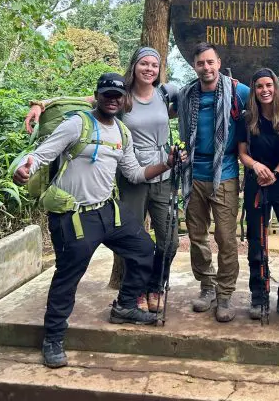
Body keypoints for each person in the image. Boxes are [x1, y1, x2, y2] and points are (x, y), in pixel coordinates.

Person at [13, 73, 186, 369]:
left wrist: (167, 164)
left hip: (108, 210)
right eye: (107, 94)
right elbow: (41, 155)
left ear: (124, 100)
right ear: (98, 95)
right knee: (69, 276)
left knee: (144, 249)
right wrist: (24, 167)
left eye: (118, 96)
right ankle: (53, 338)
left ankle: (126, 306)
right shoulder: (77, 124)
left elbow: (134, 173)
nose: (113, 100)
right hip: (74, 216)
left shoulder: (122, 132)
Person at [25, 47, 180, 313]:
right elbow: (83, 101)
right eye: (144, 63)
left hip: (160, 171)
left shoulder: (166, 93)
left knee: (168, 240)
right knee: (134, 240)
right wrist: (42, 104)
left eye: (154, 65)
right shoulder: (120, 95)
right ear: (134, 66)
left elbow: (201, 91)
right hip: (130, 175)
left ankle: (157, 285)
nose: (149, 69)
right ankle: (136, 293)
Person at [176, 42, 249, 322]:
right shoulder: (187, 95)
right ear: (194, 66)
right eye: (200, 63)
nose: (206, 68)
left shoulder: (238, 92)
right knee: (197, 236)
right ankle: (206, 286)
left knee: (226, 239)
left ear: (219, 62)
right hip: (194, 173)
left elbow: (268, 104)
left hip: (226, 174)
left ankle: (225, 293)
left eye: (210, 62)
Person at [237, 68, 279, 320]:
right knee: (257, 241)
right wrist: (256, 167)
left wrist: (275, 173)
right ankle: (259, 294)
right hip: (256, 182)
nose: (265, 90)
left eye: (269, 85)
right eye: (259, 86)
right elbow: (242, 152)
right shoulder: (246, 118)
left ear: (276, 87)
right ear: (253, 90)